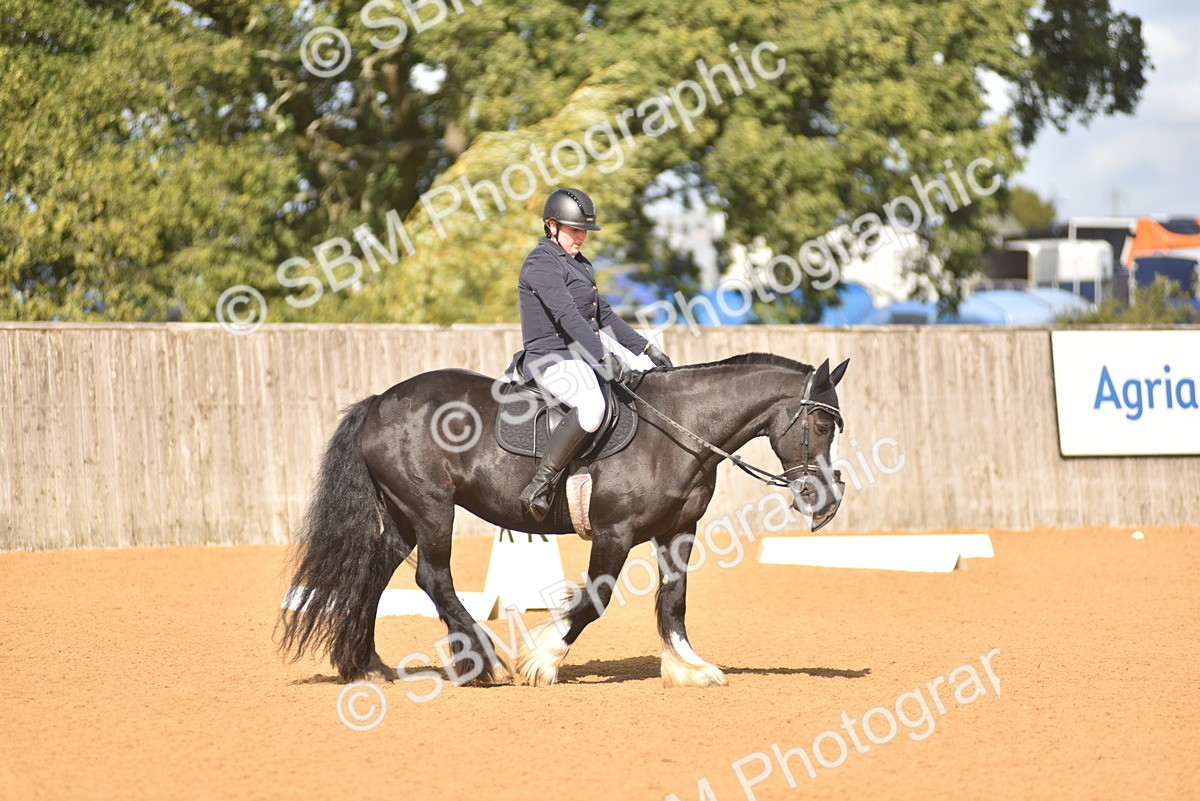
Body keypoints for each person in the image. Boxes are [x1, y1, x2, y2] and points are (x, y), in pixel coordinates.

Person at [506, 188, 673, 522]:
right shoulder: (541, 263)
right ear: (551, 226)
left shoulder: (579, 265)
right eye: (574, 229)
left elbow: (604, 316)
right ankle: (540, 484)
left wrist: (644, 348)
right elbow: (567, 316)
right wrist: (602, 357)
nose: (581, 237)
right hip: (550, 359)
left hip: (578, 356)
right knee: (593, 405)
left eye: (584, 230)